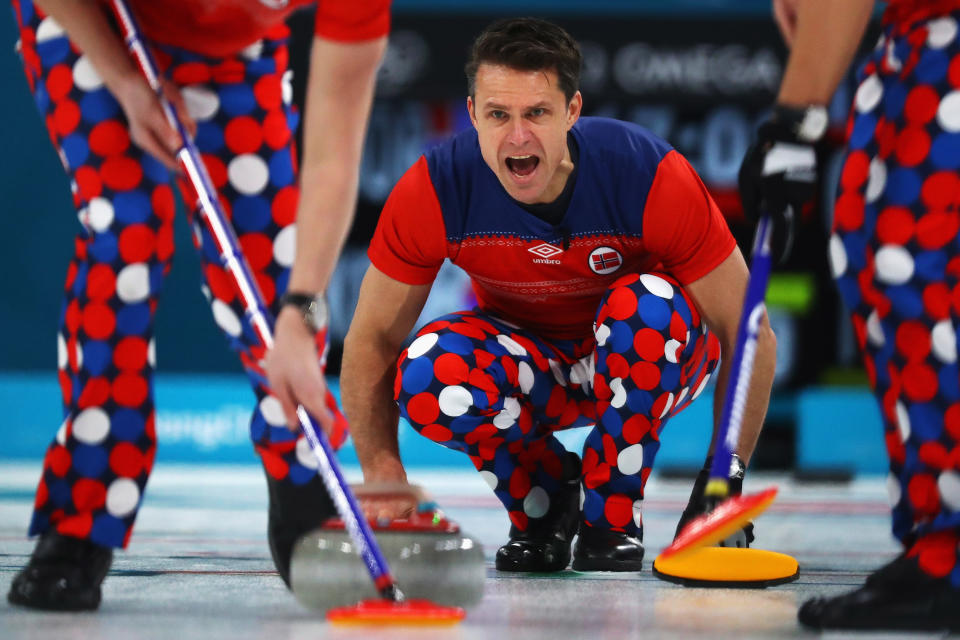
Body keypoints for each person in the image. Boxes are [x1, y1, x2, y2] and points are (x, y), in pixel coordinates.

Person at [341, 16, 777, 574]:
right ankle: (545, 503)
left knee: (643, 307)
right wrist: (384, 481)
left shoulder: (646, 172)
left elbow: (751, 333)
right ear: (473, 114)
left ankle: (611, 517)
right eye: (498, 115)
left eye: (536, 114)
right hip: (537, 369)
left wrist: (724, 478)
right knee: (428, 374)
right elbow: (370, 340)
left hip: (651, 355)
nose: (517, 137)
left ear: (572, 111)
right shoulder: (436, 187)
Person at [6, 0, 388, 611]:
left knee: (276, 260)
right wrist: (126, 82)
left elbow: (332, 160)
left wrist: (299, 310)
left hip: (235, 49)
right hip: (95, 23)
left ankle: (300, 467)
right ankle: (83, 514)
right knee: (125, 235)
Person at [739, 0, 960, 631]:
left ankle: (950, 551)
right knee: (898, 259)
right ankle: (938, 539)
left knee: (912, 262)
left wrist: (793, 121)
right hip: (919, 43)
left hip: (942, 48)